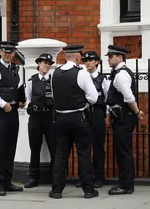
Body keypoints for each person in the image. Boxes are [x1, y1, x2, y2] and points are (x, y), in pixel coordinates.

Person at [49, 45, 99, 199]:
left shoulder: (55, 73)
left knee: (61, 154)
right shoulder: (81, 73)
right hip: (78, 117)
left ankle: (57, 190)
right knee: (83, 154)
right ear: (77, 58)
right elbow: (93, 97)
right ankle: (88, 190)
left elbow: (53, 95)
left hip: (60, 118)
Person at [0, 41, 26, 196]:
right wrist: (3, 104)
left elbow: (19, 87)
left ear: (14, 53)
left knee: (10, 147)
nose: (8, 54)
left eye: (11, 52)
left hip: (13, 110)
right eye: (5, 51)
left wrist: (22, 100)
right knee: (1, 147)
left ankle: (8, 181)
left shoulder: (16, 69)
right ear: (0, 52)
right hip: (1, 112)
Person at [105, 45, 144, 195]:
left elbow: (128, 97)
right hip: (120, 117)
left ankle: (126, 185)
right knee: (122, 151)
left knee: (123, 152)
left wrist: (137, 111)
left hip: (124, 118)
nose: (108, 59)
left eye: (111, 56)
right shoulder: (118, 73)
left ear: (119, 57)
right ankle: (125, 182)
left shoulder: (121, 74)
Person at [75, 51, 110, 188]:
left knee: (98, 147)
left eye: (91, 60)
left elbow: (107, 99)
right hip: (83, 114)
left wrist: (107, 117)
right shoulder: (81, 76)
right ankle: (84, 178)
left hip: (97, 114)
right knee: (83, 147)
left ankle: (99, 177)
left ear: (97, 62)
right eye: (86, 61)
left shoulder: (103, 79)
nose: (88, 63)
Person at [24, 53, 56, 188]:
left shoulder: (54, 81)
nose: (47, 66)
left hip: (50, 117)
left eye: (49, 64)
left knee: (54, 148)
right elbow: (28, 100)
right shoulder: (31, 81)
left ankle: (56, 177)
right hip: (36, 118)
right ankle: (33, 177)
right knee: (34, 148)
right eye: (44, 63)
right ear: (38, 64)